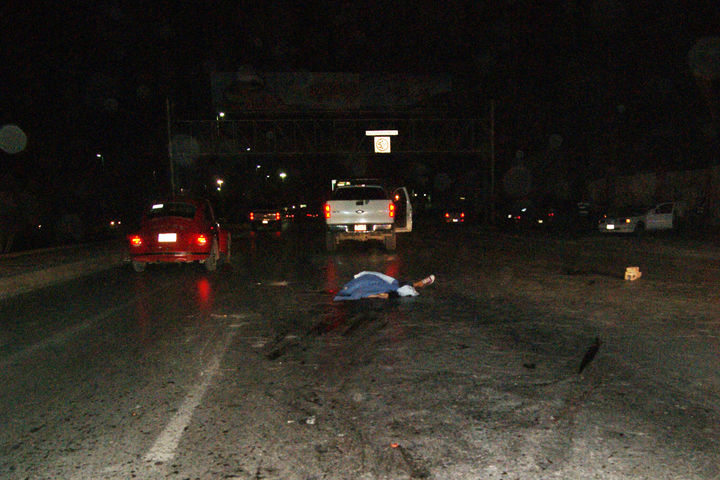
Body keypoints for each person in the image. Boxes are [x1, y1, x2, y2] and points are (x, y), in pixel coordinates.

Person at [333, 271, 435, 301]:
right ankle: (418, 284)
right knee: (393, 286)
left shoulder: (353, 289)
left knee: (393, 286)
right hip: (372, 281)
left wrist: (381, 295)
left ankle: (417, 284)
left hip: (371, 280)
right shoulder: (354, 291)